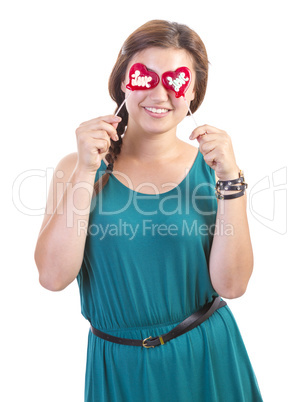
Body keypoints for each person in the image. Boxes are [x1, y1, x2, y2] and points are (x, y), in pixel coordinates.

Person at [34, 19, 263, 402]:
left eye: (176, 80)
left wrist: (230, 182)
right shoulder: (76, 168)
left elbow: (233, 286)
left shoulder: (215, 172)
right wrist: (86, 172)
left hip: (206, 358)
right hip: (118, 368)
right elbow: (53, 277)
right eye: (145, 77)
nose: (160, 94)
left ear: (192, 93)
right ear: (123, 82)